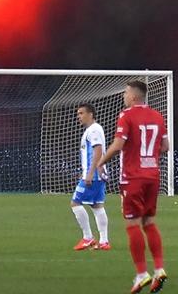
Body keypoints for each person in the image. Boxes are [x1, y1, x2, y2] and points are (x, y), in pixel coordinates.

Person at [92, 78, 167, 292]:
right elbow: (166, 146)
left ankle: (141, 274)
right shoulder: (158, 116)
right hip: (153, 175)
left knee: (132, 225)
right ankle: (159, 269)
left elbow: (118, 145)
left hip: (133, 177)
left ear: (133, 96)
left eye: (125, 93)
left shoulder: (126, 115)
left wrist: (100, 162)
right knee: (150, 222)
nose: (123, 96)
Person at [71, 103, 111, 251]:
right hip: (97, 174)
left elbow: (98, 151)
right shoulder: (94, 129)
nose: (78, 116)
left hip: (92, 175)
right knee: (97, 205)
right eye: (78, 113)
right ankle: (104, 241)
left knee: (75, 203)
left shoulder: (93, 130)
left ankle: (88, 238)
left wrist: (89, 173)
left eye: (81, 113)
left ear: (91, 114)